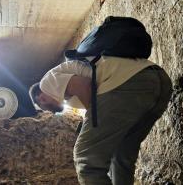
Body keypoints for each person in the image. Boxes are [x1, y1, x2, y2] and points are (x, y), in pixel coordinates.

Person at [29, 56, 172, 184]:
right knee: (121, 154)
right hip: (158, 82)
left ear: (41, 98)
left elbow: (84, 85)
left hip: (129, 83)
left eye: (44, 107)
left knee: (85, 158)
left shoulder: (46, 83)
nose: (49, 111)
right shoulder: (66, 93)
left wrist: (90, 119)